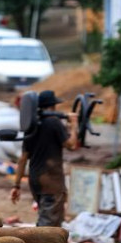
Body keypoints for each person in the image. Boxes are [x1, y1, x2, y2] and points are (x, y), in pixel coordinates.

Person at [11, 90, 80, 226]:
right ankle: (40, 240)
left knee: (50, 218)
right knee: (48, 224)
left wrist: (16, 185)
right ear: (53, 106)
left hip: (36, 180)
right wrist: (74, 125)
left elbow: (23, 159)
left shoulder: (31, 126)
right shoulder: (54, 123)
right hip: (51, 181)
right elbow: (71, 145)